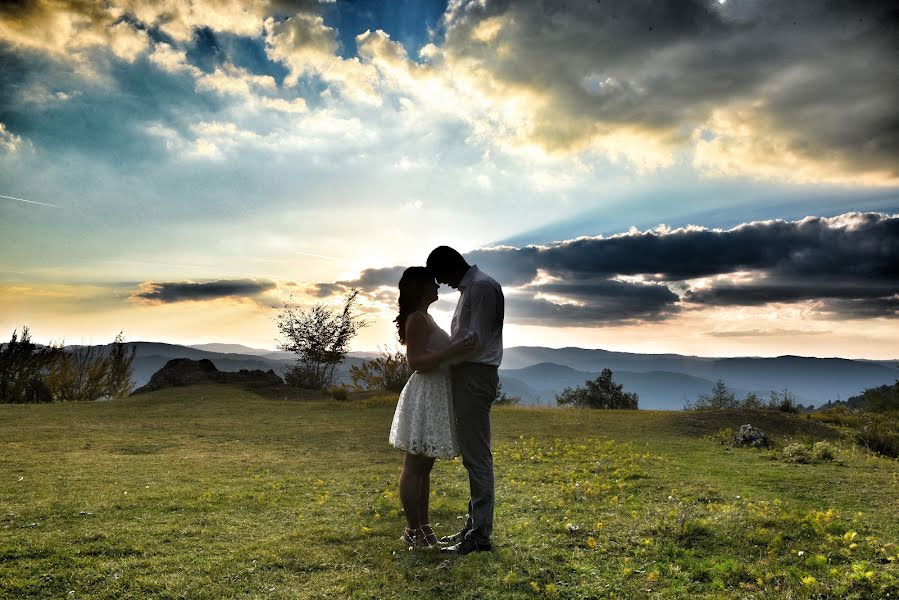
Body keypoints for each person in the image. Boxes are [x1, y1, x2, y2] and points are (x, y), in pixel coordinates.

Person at [388, 266, 478, 548]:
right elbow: (414, 362)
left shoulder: (425, 317)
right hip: (425, 393)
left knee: (424, 466)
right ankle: (412, 531)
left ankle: (424, 528)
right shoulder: (416, 319)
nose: (438, 285)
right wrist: (453, 350)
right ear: (420, 287)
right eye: (432, 282)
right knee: (414, 465)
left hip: (436, 392)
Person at [426, 246, 504, 555]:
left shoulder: (482, 287)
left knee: (477, 456)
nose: (440, 283)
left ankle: (479, 536)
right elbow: (467, 339)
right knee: (473, 455)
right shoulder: (472, 288)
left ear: (450, 265)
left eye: (439, 275)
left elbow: (476, 341)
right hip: (468, 374)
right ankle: (472, 529)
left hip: (475, 375)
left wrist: (438, 356)